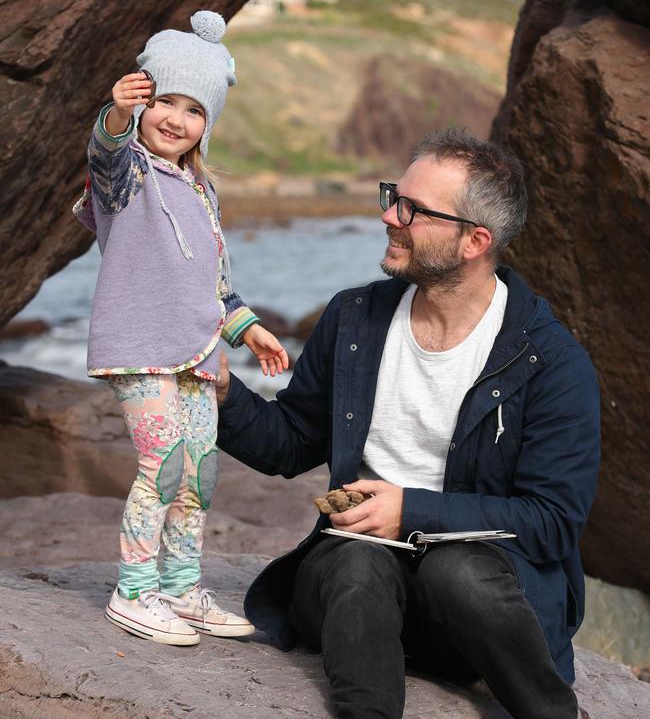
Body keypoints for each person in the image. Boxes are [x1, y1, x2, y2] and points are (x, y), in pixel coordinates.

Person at [214, 128, 600, 719]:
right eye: (395, 195)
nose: (389, 216)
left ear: (474, 241)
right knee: (357, 558)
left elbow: (552, 522)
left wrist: (411, 511)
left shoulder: (550, 362)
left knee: (456, 571)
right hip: (356, 595)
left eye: (413, 209)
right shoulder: (354, 320)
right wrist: (219, 392)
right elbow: (289, 442)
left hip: (478, 611)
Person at [73, 10, 288, 646]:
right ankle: (134, 591)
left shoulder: (200, 190)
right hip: (140, 347)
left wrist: (248, 332)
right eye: (164, 100)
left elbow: (217, 283)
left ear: (207, 124)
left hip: (195, 351)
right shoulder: (128, 174)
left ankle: (180, 585)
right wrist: (115, 114)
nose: (176, 118)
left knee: (200, 473)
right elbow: (103, 151)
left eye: (194, 109)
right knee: (162, 464)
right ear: (143, 102)